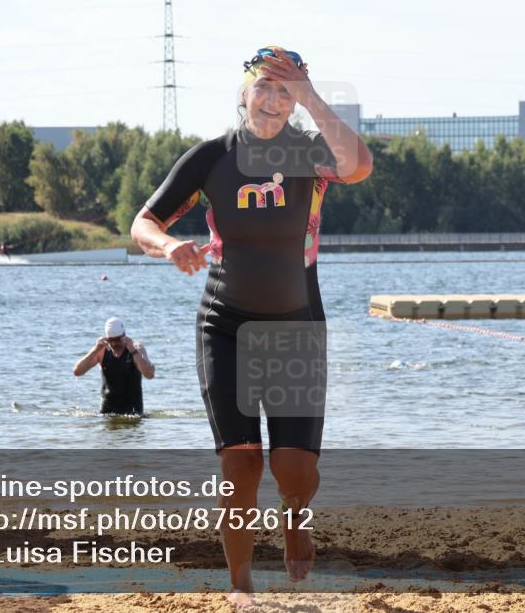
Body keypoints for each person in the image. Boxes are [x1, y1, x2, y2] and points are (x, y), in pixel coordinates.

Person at [131, 46, 372, 606]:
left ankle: (295, 515)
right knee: (240, 465)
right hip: (226, 322)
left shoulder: (311, 155)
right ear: (243, 94)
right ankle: (240, 588)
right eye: (263, 86)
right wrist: (169, 246)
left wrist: (312, 96)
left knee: (294, 470)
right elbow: (144, 222)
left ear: (297, 105)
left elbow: (359, 166)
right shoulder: (212, 158)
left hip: (297, 325)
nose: (271, 99)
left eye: (285, 92)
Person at [73, 317, 154, 415]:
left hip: (133, 412)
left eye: (118, 339)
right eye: (111, 340)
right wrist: (95, 350)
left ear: (124, 335)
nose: (115, 343)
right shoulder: (101, 351)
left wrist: (133, 351)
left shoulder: (137, 348)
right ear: (106, 338)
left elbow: (149, 374)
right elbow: (77, 372)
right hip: (107, 411)